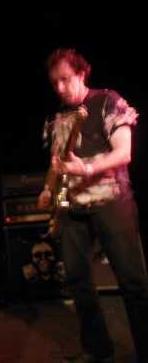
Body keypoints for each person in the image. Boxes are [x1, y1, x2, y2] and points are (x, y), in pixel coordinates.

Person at [38, 48, 148, 363]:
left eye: (65, 79)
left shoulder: (107, 101)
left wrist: (86, 168)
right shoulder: (57, 118)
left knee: (132, 281)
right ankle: (98, 350)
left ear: (82, 73)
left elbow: (124, 153)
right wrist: (48, 190)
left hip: (111, 201)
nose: (60, 88)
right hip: (74, 208)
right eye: (54, 83)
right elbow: (57, 164)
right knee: (77, 281)